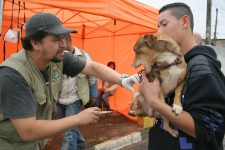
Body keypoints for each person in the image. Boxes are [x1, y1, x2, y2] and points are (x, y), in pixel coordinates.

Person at [0, 12, 140, 150]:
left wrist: (122, 79)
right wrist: (78, 118)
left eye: (64, 38)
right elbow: (28, 131)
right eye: (56, 39)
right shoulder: (13, 75)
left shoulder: (57, 58)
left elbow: (92, 67)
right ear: (35, 43)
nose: (64, 44)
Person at [138, 3, 225, 150]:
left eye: (164, 24)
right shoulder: (173, 66)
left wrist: (155, 102)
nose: (158, 32)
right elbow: (175, 111)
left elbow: (206, 129)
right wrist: (150, 108)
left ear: (184, 21)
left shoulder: (201, 67)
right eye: (158, 26)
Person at [56, 33, 97, 150]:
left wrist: (93, 96)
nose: (60, 46)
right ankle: (80, 143)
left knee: (68, 133)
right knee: (67, 126)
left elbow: (93, 76)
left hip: (75, 99)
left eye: (61, 42)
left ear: (67, 41)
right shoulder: (59, 57)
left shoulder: (83, 56)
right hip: (60, 99)